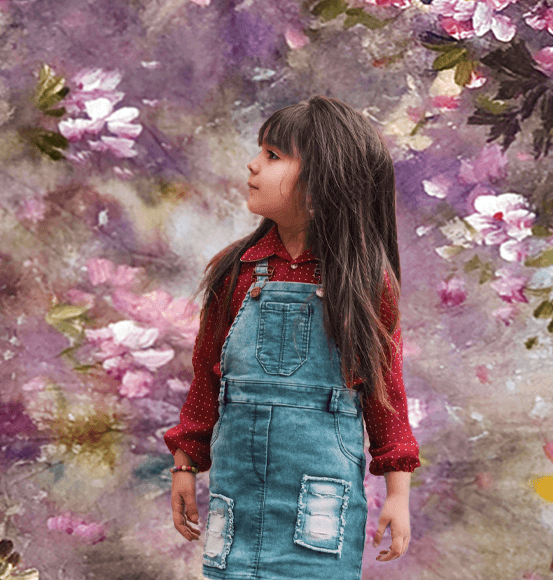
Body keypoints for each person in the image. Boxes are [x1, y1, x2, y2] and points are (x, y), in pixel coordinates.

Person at [164, 95, 421, 580]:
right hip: (236, 489)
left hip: (320, 495)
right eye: (261, 151)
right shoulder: (235, 271)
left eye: (274, 155)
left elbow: (386, 396)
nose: (253, 164)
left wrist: (399, 496)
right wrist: (184, 465)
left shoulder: (365, 282)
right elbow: (206, 379)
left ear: (323, 182)